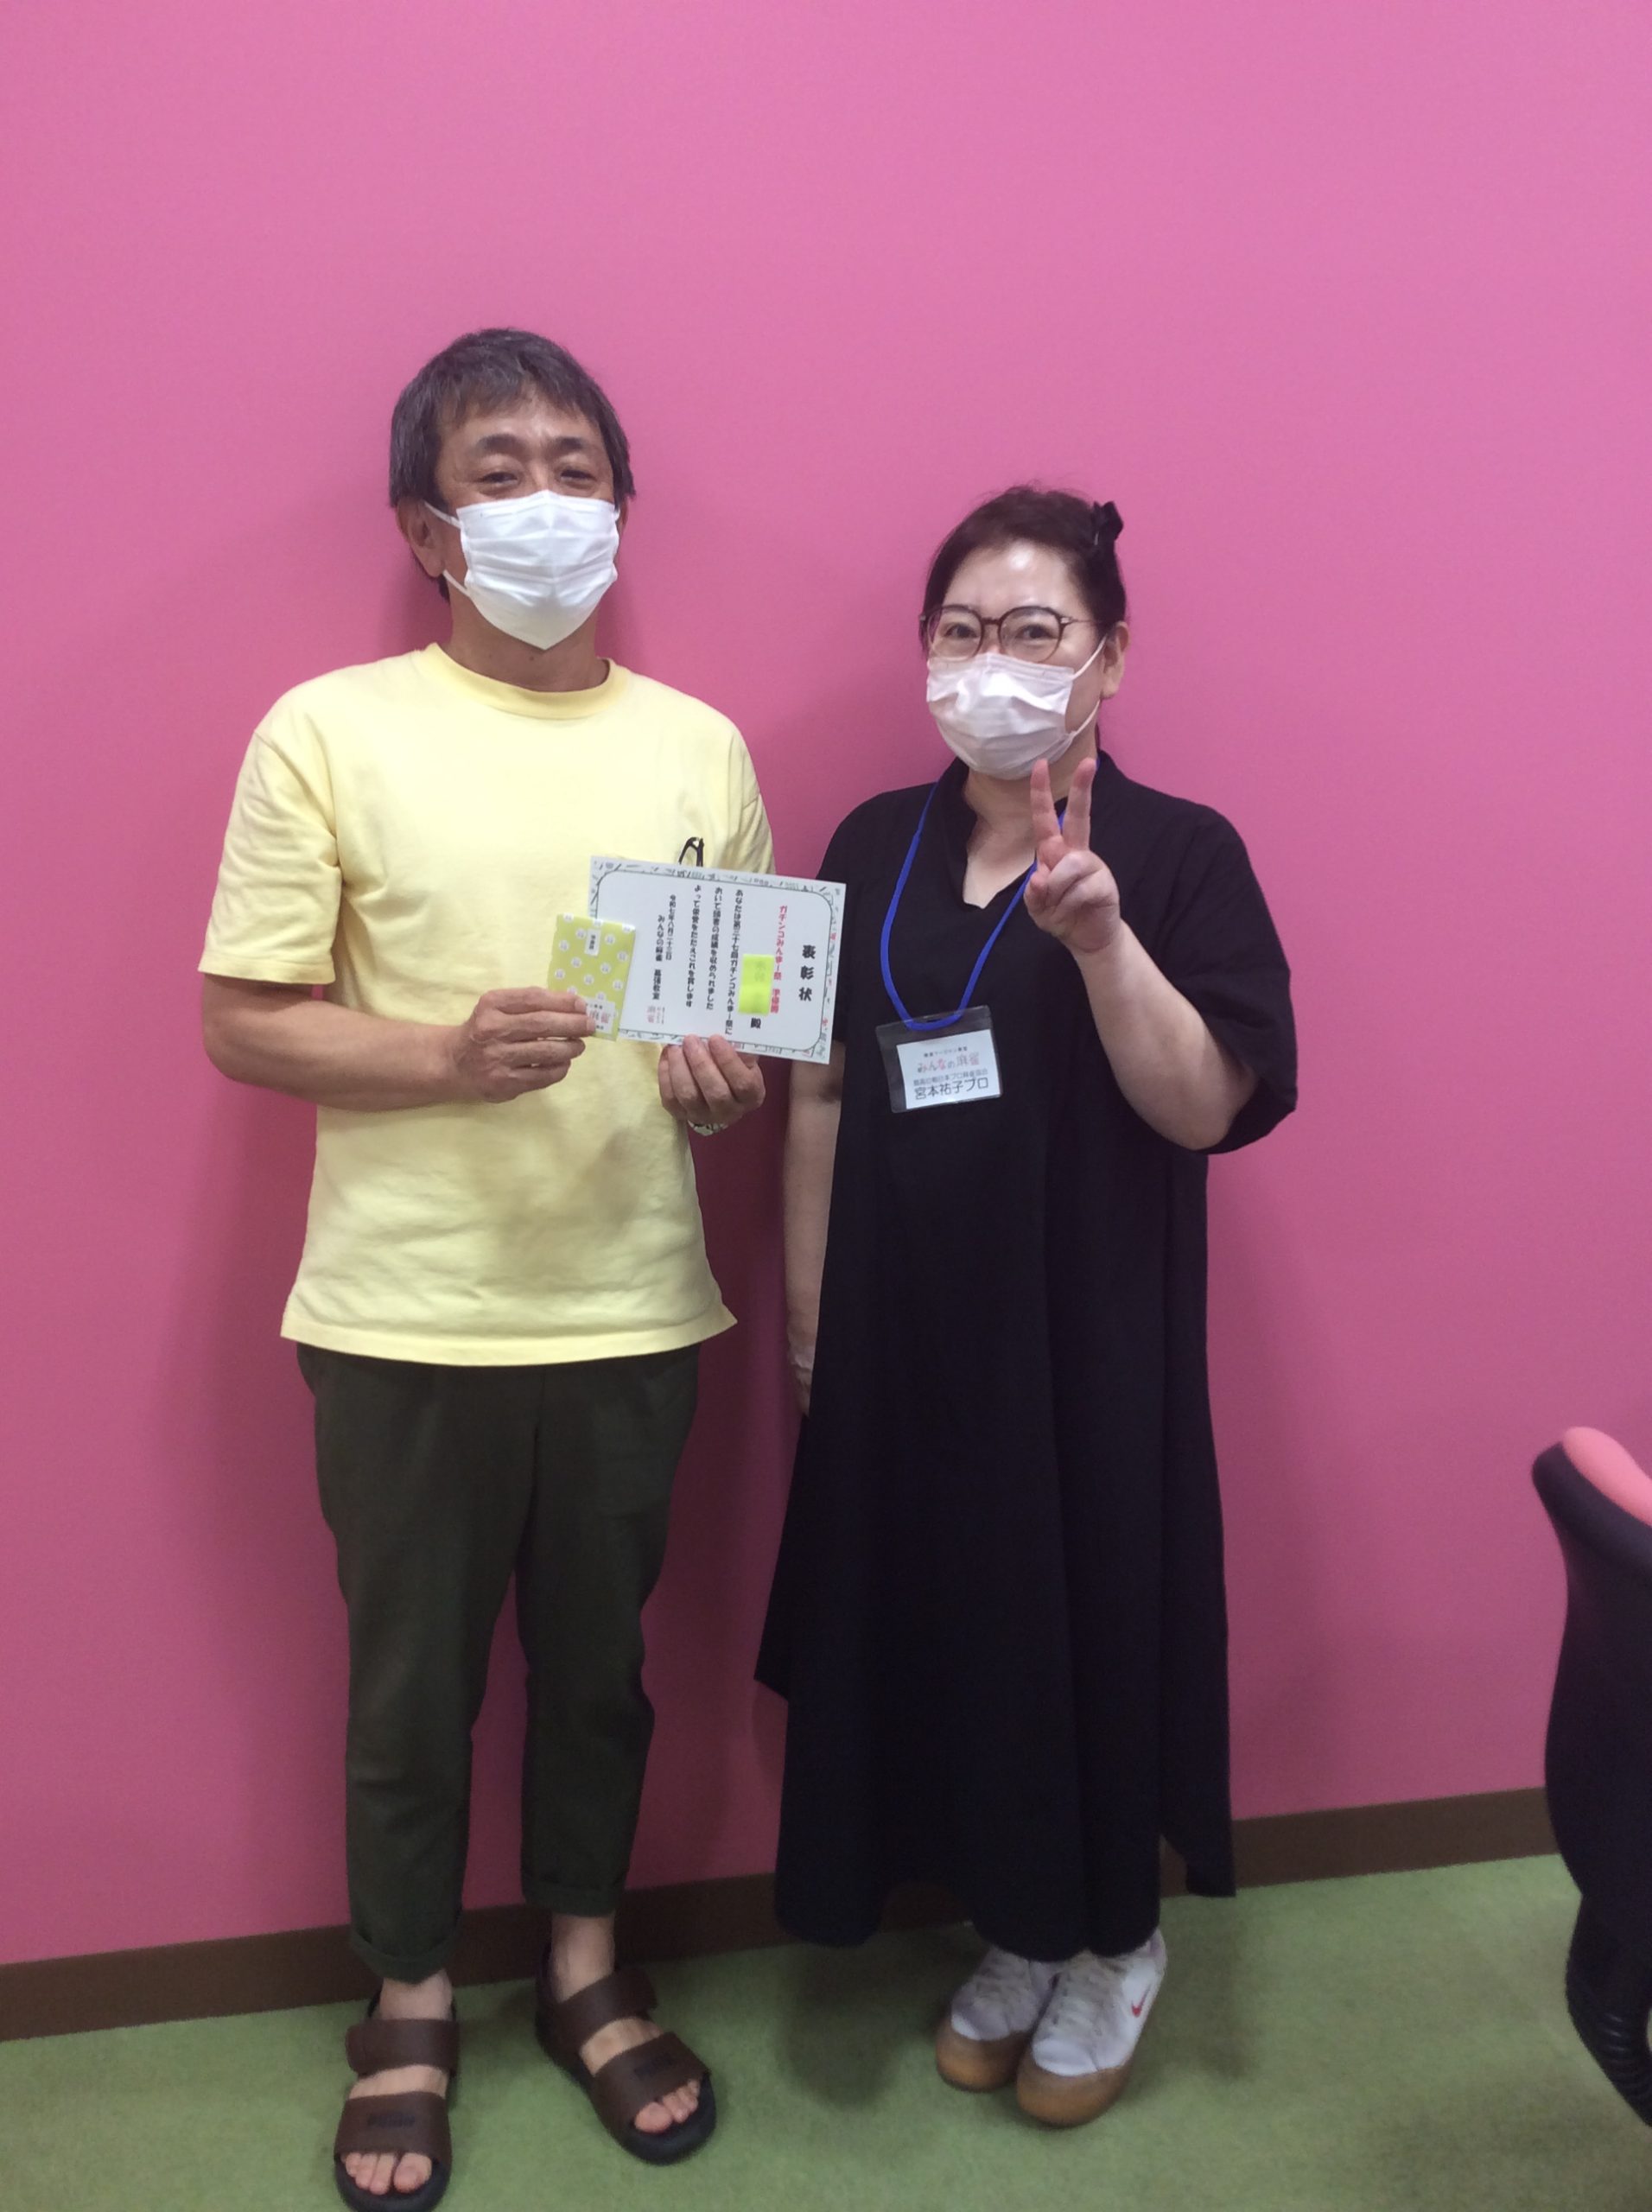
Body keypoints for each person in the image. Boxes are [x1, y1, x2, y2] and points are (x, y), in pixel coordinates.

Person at [200, 328, 771, 2205]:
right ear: (425, 527)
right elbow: (244, 1018)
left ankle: (587, 1970)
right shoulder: (327, 729)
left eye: (575, 468)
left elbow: (730, 1040)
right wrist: (445, 1058)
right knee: (408, 1687)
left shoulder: (699, 747)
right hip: (403, 1311)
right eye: (498, 470)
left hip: (634, 1299)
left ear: (623, 506)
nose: (545, 500)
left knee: (601, 1675)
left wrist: (717, 1092)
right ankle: (412, 1995)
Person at [759, 486, 1296, 2128]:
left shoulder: (1185, 853)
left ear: (1109, 657)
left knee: (1090, 1618)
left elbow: (1204, 1107)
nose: (992, 662)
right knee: (947, 1623)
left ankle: (1116, 1940)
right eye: (962, 632)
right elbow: (820, 1092)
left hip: (1088, 1345)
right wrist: (810, 1325)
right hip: (902, 1344)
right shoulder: (869, 844)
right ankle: (1018, 1917)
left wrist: (1107, 943)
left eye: (1034, 631)